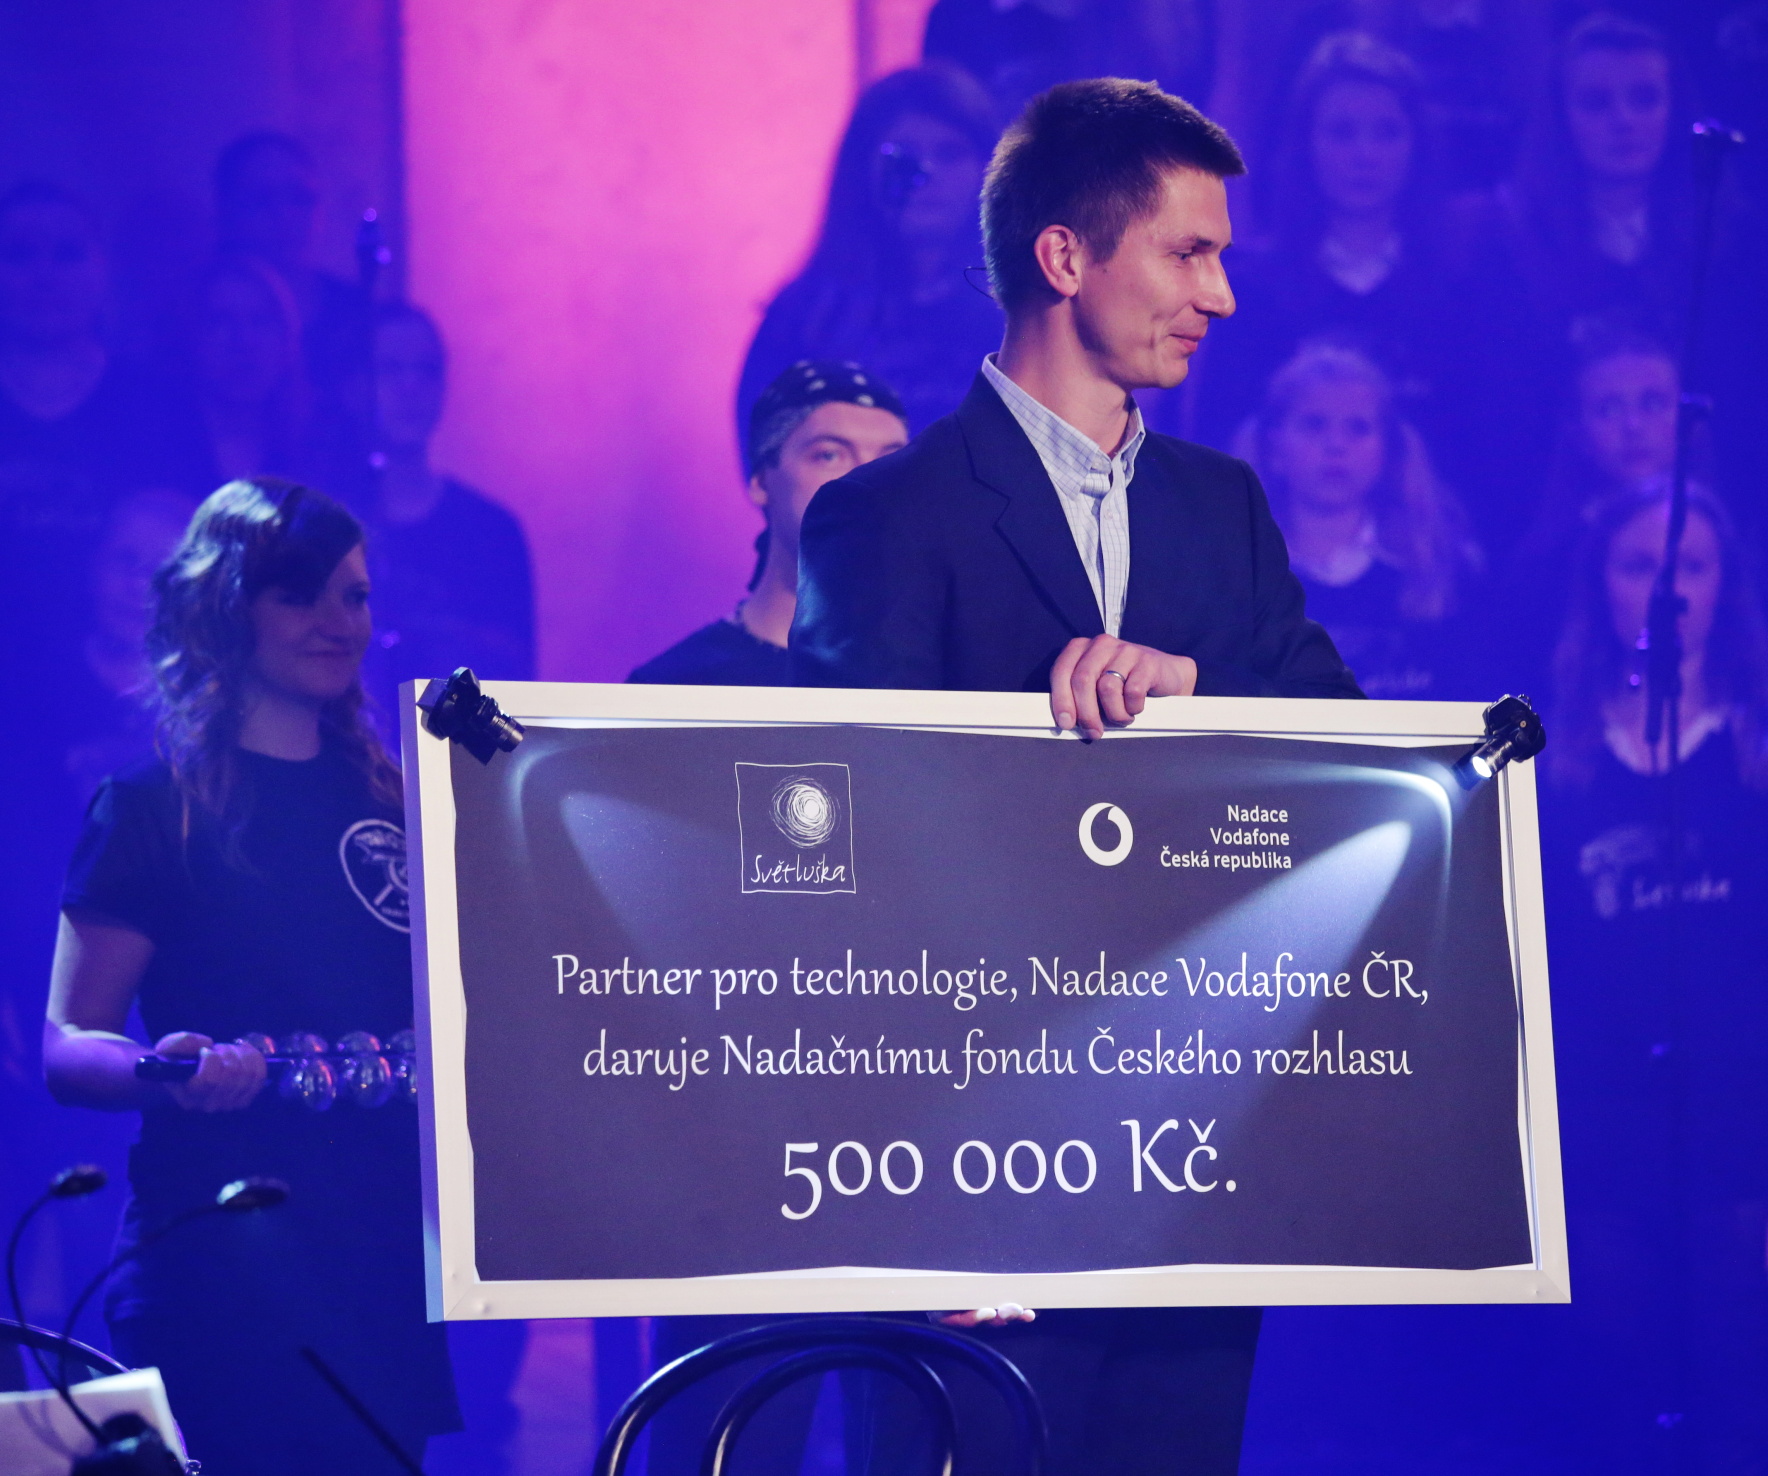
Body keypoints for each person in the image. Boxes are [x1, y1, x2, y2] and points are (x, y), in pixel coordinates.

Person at [792, 77, 1360, 1475]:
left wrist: (1193, 692)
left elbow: (1347, 747)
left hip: (1196, 1170)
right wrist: (909, 1204)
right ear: (1063, 255)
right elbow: (844, 870)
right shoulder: (886, 516)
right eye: (1189, 252)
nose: (1220, 295)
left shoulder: (1222, 505)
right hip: (974, 1186)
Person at [42, 479, 460, 1475]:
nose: (338, 621)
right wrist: (168, 1070)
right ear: (228, 608)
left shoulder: (401, 797)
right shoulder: (152, 806)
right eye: (299, 594)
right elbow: (68, 1046)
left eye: (355, 596)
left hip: (382, 1260)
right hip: (222, 1261)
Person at [1539, 483, 1768, 1469]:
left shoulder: (1754, 745)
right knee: (1617, 1369)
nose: (1668, 590)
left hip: (1738, 1099)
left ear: (1725, 585)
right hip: (1604, 1099)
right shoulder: (1563, 753)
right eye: (1641, 566)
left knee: (1735, 1353)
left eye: (1691, 568)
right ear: (1602, 583)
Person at [1192, 34, 1471, 498]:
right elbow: (1217, 452)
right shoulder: (1249, 291)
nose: (1365, 154)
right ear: (1306, 145)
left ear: (1416, 147)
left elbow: (1480, 453)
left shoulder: (1459, 293)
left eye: (1386, 132)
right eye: (1343, 132)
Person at [736, 64, 1002, 438]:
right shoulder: (810, 316)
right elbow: (766, 446)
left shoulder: (1023, 309)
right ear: (863, 171)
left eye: (950, 153)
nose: (926, 172)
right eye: (903, 157)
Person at [630, 360, 909, 685]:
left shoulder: (941, 675)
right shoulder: (677, 688)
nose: (868, 481)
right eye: (829, 455)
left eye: (891, 459)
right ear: (762, 482)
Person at [1234, 341, 1480, 699]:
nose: (1336, 445)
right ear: (1274, 447)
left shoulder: (1442, 565)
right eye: (1314, 425)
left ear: (1388, 450)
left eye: (1358, 428)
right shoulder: (1240, 569)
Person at [353, 301, 535, 731]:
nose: (410, 387)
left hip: (457, 753)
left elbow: (518, 683)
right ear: (358, 385)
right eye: (392, 370)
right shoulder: (336, 525)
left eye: (426, 370)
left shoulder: (492, 533)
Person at [213, 131, 372, 401]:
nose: (284, 215)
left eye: (300, 198)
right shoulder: (197, 316)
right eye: (263, 199)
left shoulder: (358, 315)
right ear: (226, 211)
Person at [187, 254, 312, 486]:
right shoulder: (159, 442)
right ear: (195, 336)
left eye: (260, 321)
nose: (243, 341)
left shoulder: (315, 447)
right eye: (223, 320)